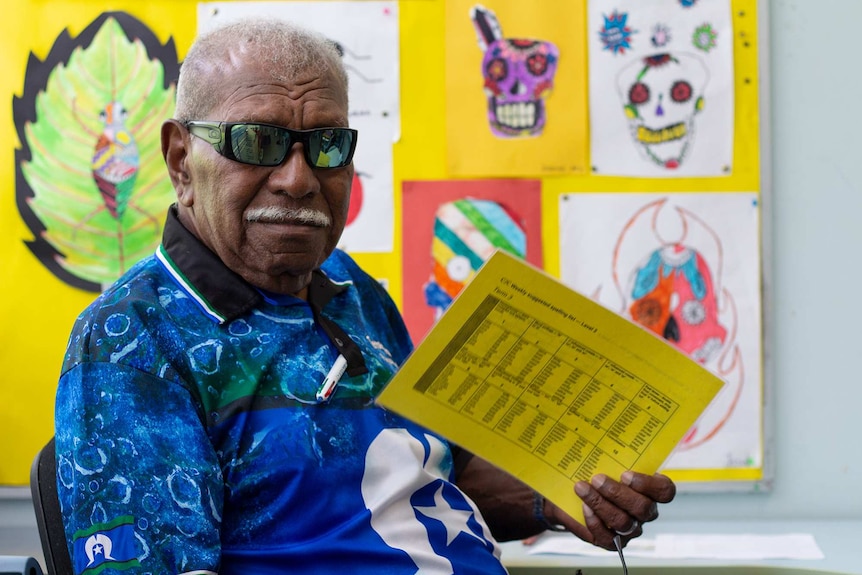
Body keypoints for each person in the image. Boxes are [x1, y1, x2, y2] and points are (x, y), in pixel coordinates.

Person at [54, 17, 676, 575]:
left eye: (326, 146)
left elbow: (435, 475)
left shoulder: (353, 293)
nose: (299, 179)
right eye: (256, 141)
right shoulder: (133, 336)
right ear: (181, 159)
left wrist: (561, 497)